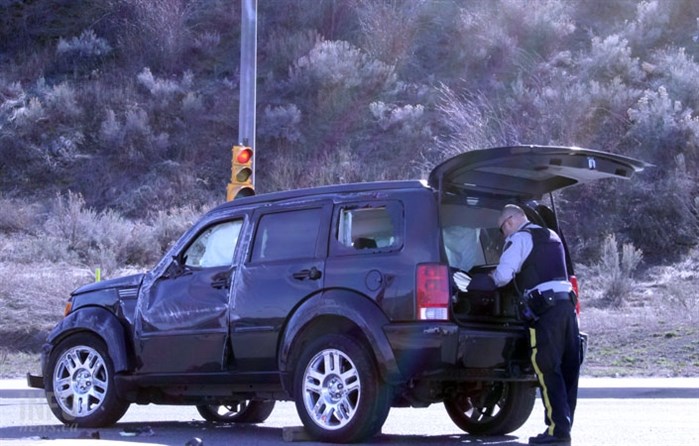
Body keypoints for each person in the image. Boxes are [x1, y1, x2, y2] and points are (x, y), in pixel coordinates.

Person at [491, 204, 580, 446]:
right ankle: (564, 427)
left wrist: (486, 280)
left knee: (547, 368)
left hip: (546, 312)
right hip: (568, 307)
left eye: (502, 230)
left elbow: (502, 277)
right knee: (568, 369)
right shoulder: (552, 235)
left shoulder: (519, 239)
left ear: (509, 222)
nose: (504, 235)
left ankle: (557, 432)